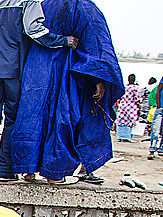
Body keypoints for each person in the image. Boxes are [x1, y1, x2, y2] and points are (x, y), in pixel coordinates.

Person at [11, 0, 124, 185]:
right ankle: (55, 173)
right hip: (63, 69)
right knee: (61, 117)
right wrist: (99, 80)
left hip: (35, 68)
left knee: (31, 115)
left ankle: (27, 168)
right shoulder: (81, 5)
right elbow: (97, 43)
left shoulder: (36, 3)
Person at [0, 0, 77, 182]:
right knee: (12, 120)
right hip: (15, 70)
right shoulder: (28, 2)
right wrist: (63, 41)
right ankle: (5, 171)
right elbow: (34, 30)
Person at [116, 74, 140, 142]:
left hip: (122, 105)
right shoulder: (135, 88)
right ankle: (128, 137)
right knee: (130, 121)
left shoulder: (124, 87)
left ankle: (120, 137)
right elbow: (138, 98)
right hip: (131, 106)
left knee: (121, 121)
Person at [149, 79, 163, 159]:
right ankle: (152, 148)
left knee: (157, 130)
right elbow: (158, 89)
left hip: (160, 107)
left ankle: (160, 148)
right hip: (160, 108)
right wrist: (158, 105)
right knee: (155, 130)